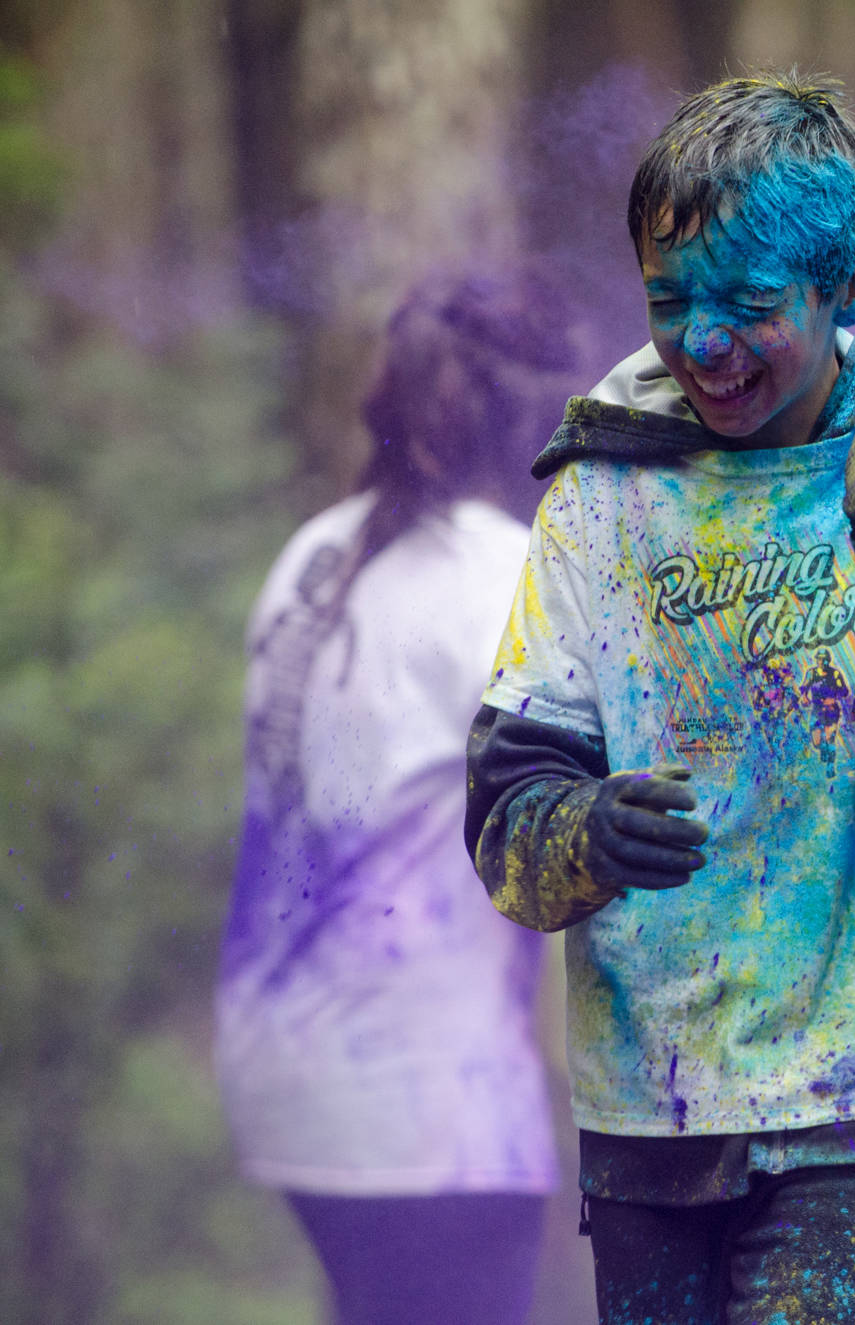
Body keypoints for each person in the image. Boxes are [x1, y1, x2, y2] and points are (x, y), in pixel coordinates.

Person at [463, 73, 855, 1325]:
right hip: (653, 1092)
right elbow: (506, 821)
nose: (703, 343)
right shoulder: (599, 487)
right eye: (671, 302)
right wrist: (587, 831)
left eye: (747, 304)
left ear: (850, 287)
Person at [215, 269, 582, 1325]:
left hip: (290, 1066)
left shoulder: (313, 557)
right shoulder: (500, 576)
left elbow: (332, 806)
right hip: (426, 1094)